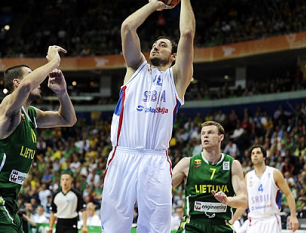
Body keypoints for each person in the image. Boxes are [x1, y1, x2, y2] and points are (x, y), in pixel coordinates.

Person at [100, 0, 195, 232]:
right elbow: (127, 27)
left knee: (156, 227)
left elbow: (188, 33)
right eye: (153, 44)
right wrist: (153, 4)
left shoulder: (177, 79)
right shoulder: (135, 68)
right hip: (123, 155)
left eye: (162, 45)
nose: (154, 47)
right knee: (113, 226)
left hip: (156, 160)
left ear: (173, 56)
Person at [0, 45, 76, 233]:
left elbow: (68, 120)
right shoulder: (8, 107)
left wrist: (62, 93)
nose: (39, 80)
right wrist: (53, 62)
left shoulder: (32, 115)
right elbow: (27, 86)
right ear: (17, 83)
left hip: (9, 200)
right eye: (31, 74)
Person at [172, 121, 248, 233]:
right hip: (193, 225)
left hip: (221, 225)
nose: (205, 136)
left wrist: (227, 200)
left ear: (220, 137)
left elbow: (243, 200)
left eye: (210, 132)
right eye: (203, 133)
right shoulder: (187, 163)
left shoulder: (233, 164)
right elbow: (164, 188)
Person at [230, 145, 299, 233]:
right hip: (254, 221)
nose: (255, 155)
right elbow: (245, 203)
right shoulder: (248, 176)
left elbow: (289, 194)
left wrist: (293, 216)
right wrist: (233, 220)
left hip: (271, 220)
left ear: (264, 157)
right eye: (252, 154)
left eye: (258, 153)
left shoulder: (274, 173)